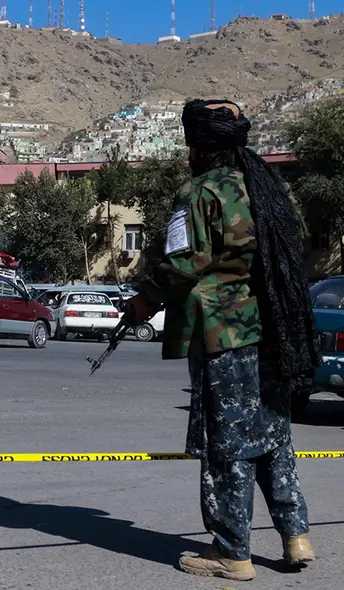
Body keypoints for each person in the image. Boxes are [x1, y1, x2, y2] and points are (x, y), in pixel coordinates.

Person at [123, 99, 318, 581]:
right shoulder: (270, 190)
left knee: (227, 443)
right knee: (274, 436)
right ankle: (296, 536)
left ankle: (232, 552)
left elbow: (181, 263)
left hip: (224, 334)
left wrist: (143, 301)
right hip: (275, 332)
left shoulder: (200, 193)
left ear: (198, 147)